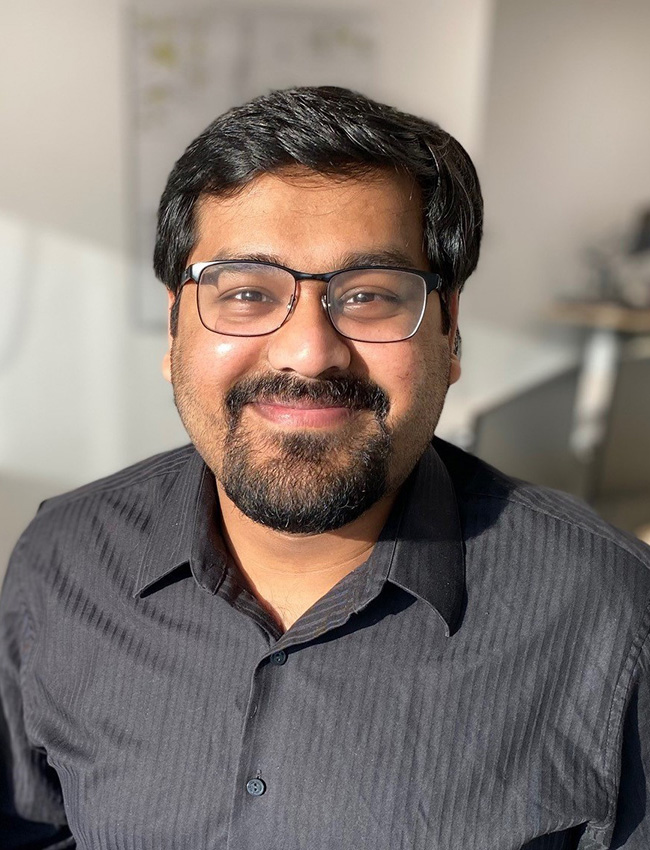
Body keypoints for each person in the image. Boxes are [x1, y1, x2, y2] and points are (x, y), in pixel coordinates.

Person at [1, 86, 649, 850]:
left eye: (370, 295)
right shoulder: (63, 561)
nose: (308, 352)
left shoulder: (608, 611)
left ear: (450, 333)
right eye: (246, 292)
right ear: (176, 328)